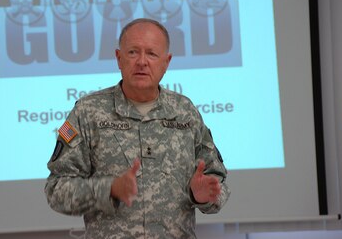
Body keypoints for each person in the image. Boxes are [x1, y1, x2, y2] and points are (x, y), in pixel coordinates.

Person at [45, 18, 230, 238]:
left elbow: (217, 181)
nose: (142, 61)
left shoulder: (185, 112)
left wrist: (202, 195)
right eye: (133, 52)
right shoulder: (87, 112)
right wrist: (109, 189)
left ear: (166, 62)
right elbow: (57, 190)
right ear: (118, 58)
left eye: (152, 54)